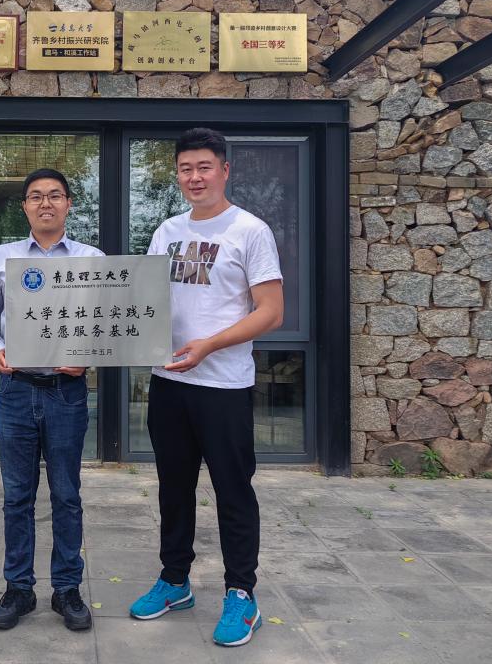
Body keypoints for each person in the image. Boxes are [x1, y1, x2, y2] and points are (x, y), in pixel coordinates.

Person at [129, 128, 284, 647]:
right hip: (169, 382)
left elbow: (271, 312)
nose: (194, 177)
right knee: (173, 488)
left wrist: (210, 345)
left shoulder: (250, 230)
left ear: (224, 170)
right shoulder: (167, 230)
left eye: (204, 167)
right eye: (185, 169)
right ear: (177, 175)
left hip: (223, 385)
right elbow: (145, 299)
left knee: (233, 491)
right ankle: (175, 580)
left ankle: (242, 593)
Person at [0, 168, 103, 632]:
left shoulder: (92, 259)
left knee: (67, 495)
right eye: (36, 196)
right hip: (15, 391)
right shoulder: (2, 257)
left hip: (66, 394)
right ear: (25, 206)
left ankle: (67, 589)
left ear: (68, 204)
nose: (46, 203)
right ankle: (19, 588)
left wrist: (86, 357)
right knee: (17, 496)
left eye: (55, 195)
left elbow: (102, 323)